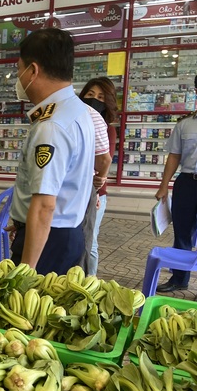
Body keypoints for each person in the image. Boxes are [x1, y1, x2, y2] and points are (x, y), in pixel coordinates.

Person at [8, 28, 95, 275]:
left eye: (19, 70)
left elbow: (45, 205)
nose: (19, 78)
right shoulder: (77, 110)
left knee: (27, 308)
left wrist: (25, 270)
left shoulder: (51, 126)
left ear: (32, 71)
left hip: (48, 241)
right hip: (62, 233)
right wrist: (22, 221)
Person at [154, 67, 197, 293]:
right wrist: (163, 185)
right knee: (182, 232)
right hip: (186, 183)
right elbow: (174, 156)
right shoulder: (184, 123)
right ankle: (179, 279)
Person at [79, 77, 118, 276]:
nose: (94, 100)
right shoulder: (76, 122)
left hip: (96, 195)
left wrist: (99, 179)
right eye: (90, 95)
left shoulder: (107, 129)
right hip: (75, 192)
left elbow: (103, 161)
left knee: (90, 241)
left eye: (101, 97)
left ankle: (90, 280)